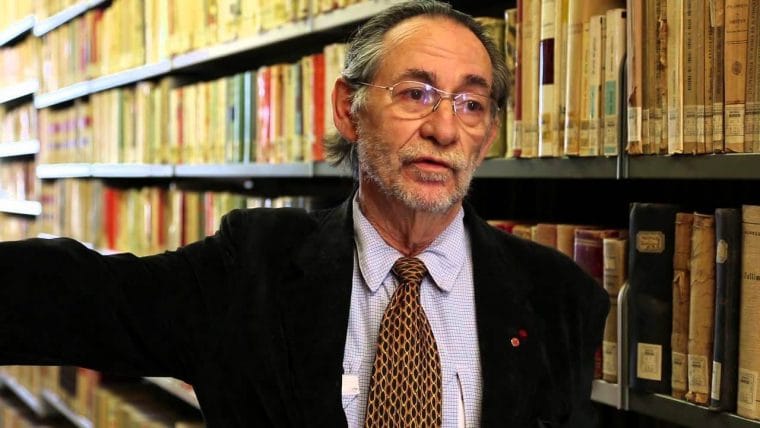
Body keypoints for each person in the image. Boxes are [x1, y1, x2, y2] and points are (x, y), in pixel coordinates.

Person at [0, 1, 608, 427]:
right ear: (349, 109)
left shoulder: (560, 298)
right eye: (416, 94)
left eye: (470, 104)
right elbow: (83, 296)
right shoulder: (252, 268)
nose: (444, 128)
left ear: (489, 132)